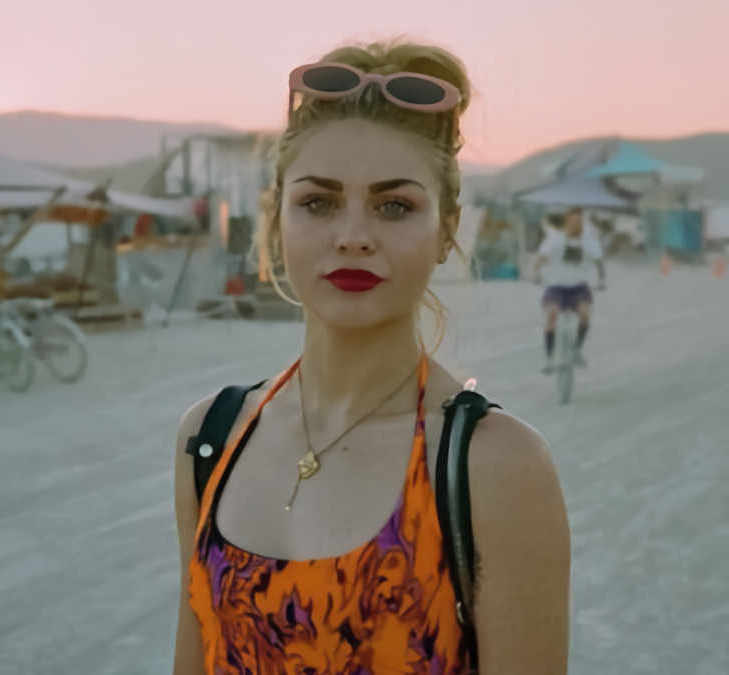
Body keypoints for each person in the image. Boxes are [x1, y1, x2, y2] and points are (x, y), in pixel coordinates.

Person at [173, 41, 570, 675]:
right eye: (319, 202)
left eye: (394, 206)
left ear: (446, 229)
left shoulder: (491, 466)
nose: (353, 234)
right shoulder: (212, 439)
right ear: (276, 219)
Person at [534, 206, 606, 373]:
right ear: (567, 222)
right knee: (551, 316)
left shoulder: (589, 241)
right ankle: (550, 357)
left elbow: (598, 262)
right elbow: (542, 258)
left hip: (579, 287)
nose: (576, 225)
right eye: (573, 221)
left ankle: (576, 350)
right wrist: (537, 272)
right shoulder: (556, 240)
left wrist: (601, 280)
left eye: (579, 222)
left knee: (585, 314)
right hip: (556, 287)